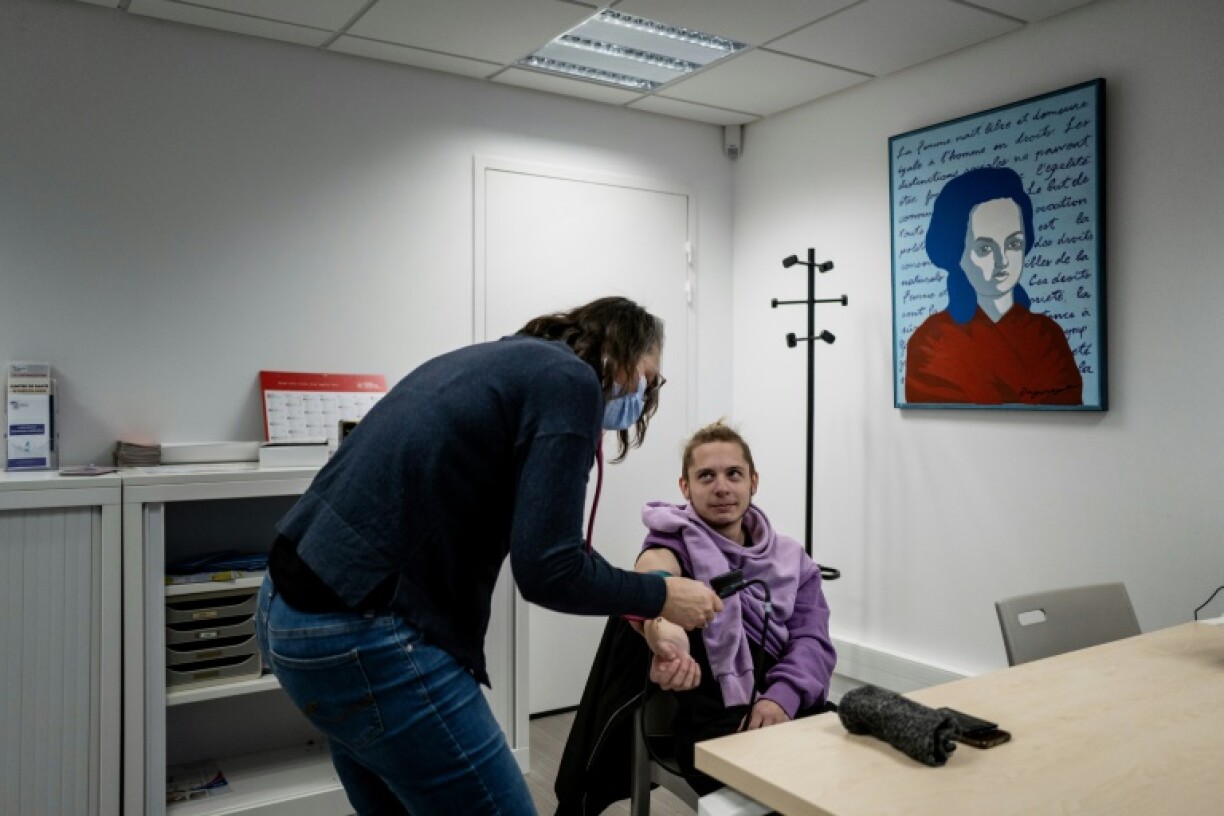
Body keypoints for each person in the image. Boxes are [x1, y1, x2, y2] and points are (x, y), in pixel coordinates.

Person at [255, 296, 723, 816]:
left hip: (286, 609)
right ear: (618, 350)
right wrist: (662, 597)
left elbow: (538, 538)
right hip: (361, 630)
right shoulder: (570, 381)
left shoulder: (498, 361)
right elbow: (550, 569)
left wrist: (649, 609)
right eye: (648, 377)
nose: (644, 395)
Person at [554, 421, 836, 813]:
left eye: (733, 474)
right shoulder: (673, 542)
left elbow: (813, 641)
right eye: (706, 476)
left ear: (753, 481)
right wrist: (669, 645)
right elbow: (656, 582)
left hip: (792, 707)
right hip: (718, 725)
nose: (722, 487)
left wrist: (780, 700)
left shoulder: (792, 560)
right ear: (685, 487)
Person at [904, 166, 1083, 405]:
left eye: (1014, 244)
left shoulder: (1048, 335)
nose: (1003, 261)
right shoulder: (930, 342)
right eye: (985, 248)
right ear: (957, 253)